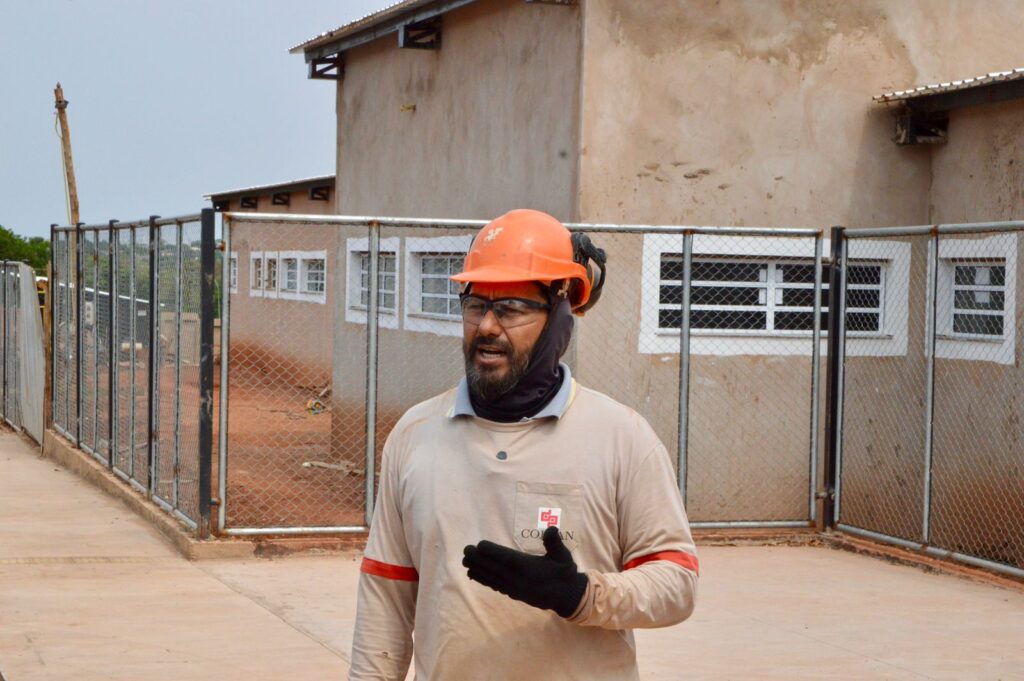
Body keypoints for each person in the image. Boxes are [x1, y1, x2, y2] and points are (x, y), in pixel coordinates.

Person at [349, 209, 698, 681]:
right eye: (476, 305)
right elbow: (386, 597)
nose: (487, 326)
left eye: (511, 306)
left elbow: (676, 582)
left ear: (558, 317)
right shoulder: (416, 435)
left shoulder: (622, 437)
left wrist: (581, 595)